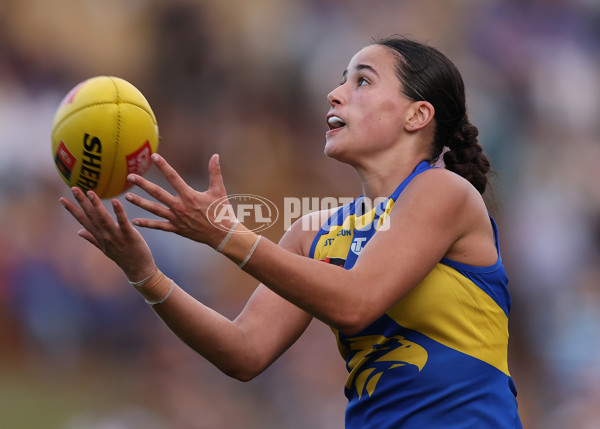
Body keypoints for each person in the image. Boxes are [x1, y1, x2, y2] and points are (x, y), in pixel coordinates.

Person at [60, 36, 522, 428]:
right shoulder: (313, 230)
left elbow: (356, 302)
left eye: (361, 81)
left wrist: (225, 235)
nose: (335, 94)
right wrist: (145, 273)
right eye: (342, 79)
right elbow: (244, 352)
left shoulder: (443, 191)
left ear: (417, 116)